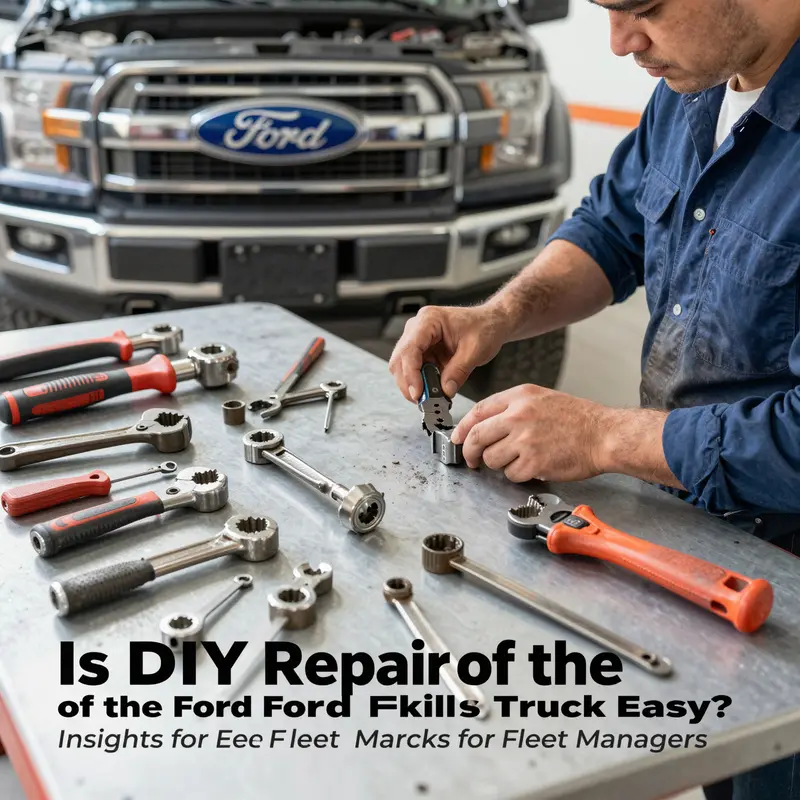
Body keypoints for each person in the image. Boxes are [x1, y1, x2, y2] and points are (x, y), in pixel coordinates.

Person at [389, 1, 800, 797]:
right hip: (697, 538)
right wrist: (497, 314)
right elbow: (614, 231)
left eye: (643, 9)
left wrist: (605, 437)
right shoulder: (696, 85)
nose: (619, 43)